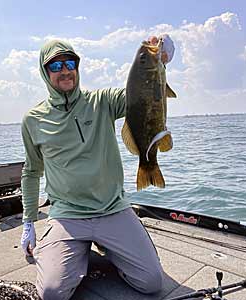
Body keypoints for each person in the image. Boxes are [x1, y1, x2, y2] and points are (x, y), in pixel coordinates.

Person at [20, 39, 169, 300]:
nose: (65, 70)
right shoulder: (33, 119)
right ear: (45, 72)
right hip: (68, 215)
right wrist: (28, 222)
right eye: (55, 65)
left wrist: (163, 59)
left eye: (70, 63)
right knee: (52, 294)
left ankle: (99, 248)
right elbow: (31, 172)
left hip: (113, 208)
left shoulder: (103, 101)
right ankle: (76, 250)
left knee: (151, 282)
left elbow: (141, 97)